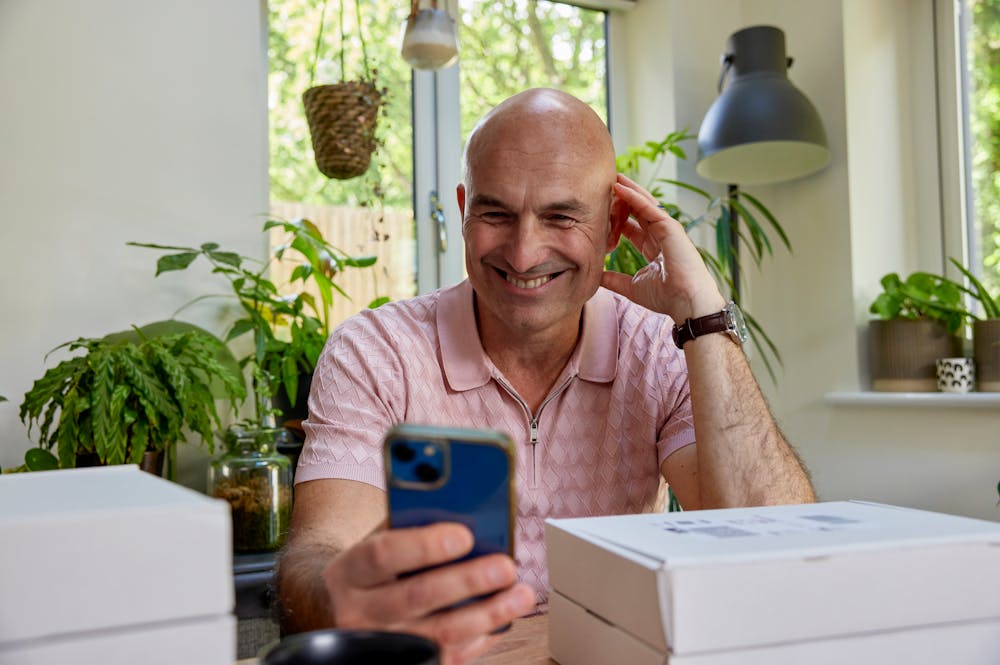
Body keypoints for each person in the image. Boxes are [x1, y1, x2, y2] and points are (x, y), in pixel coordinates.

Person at [276, 88, 815, 665]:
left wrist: (704, 318)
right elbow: (317, 553)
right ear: (463, 211)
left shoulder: (661, 349)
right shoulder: (375, 351)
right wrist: (346, 599)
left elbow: (775, 546)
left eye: (560, 216)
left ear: (613, 227)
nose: (525, 252)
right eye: (495, 213)